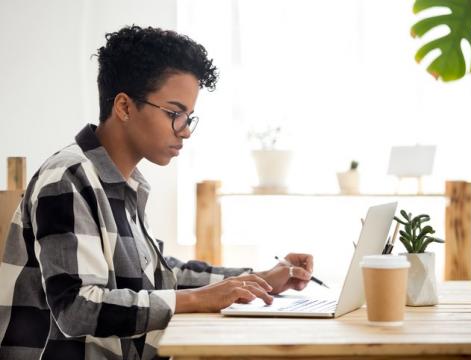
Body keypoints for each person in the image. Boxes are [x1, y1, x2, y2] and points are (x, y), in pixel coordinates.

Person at [0, 25, 314, 360]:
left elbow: (160, 276)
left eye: (189, 117)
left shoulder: (125, 183)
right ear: (124, 106)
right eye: (175, 113)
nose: (186, 131)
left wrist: (256, 278)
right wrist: (197, 299)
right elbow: (76, 308)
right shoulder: (67, 178)